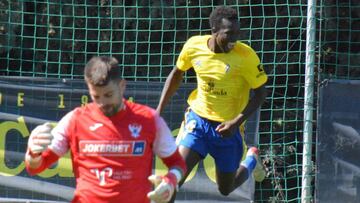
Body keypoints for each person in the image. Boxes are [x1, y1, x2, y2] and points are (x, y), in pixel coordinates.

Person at [25, 56, 187, 203]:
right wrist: (33, 153)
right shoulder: (74, 120)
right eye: (96, 96)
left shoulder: (149, 120)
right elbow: (36, 167)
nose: (102, 103)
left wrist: (171, 181)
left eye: (109, 95)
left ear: (122, 86)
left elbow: (178, 163)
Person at [156, 6, 267, 199]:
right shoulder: (194, 46)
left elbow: (260, 94)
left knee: (225, 188)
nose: (234, 40)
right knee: (173, 179)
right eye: (228, 34)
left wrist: (236, 122)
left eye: (237, 34)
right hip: (198, 122)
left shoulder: (246, 57)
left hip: (228, 129)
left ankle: (251, 159)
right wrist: (157, 112)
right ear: (214, 31)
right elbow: (176, 75)